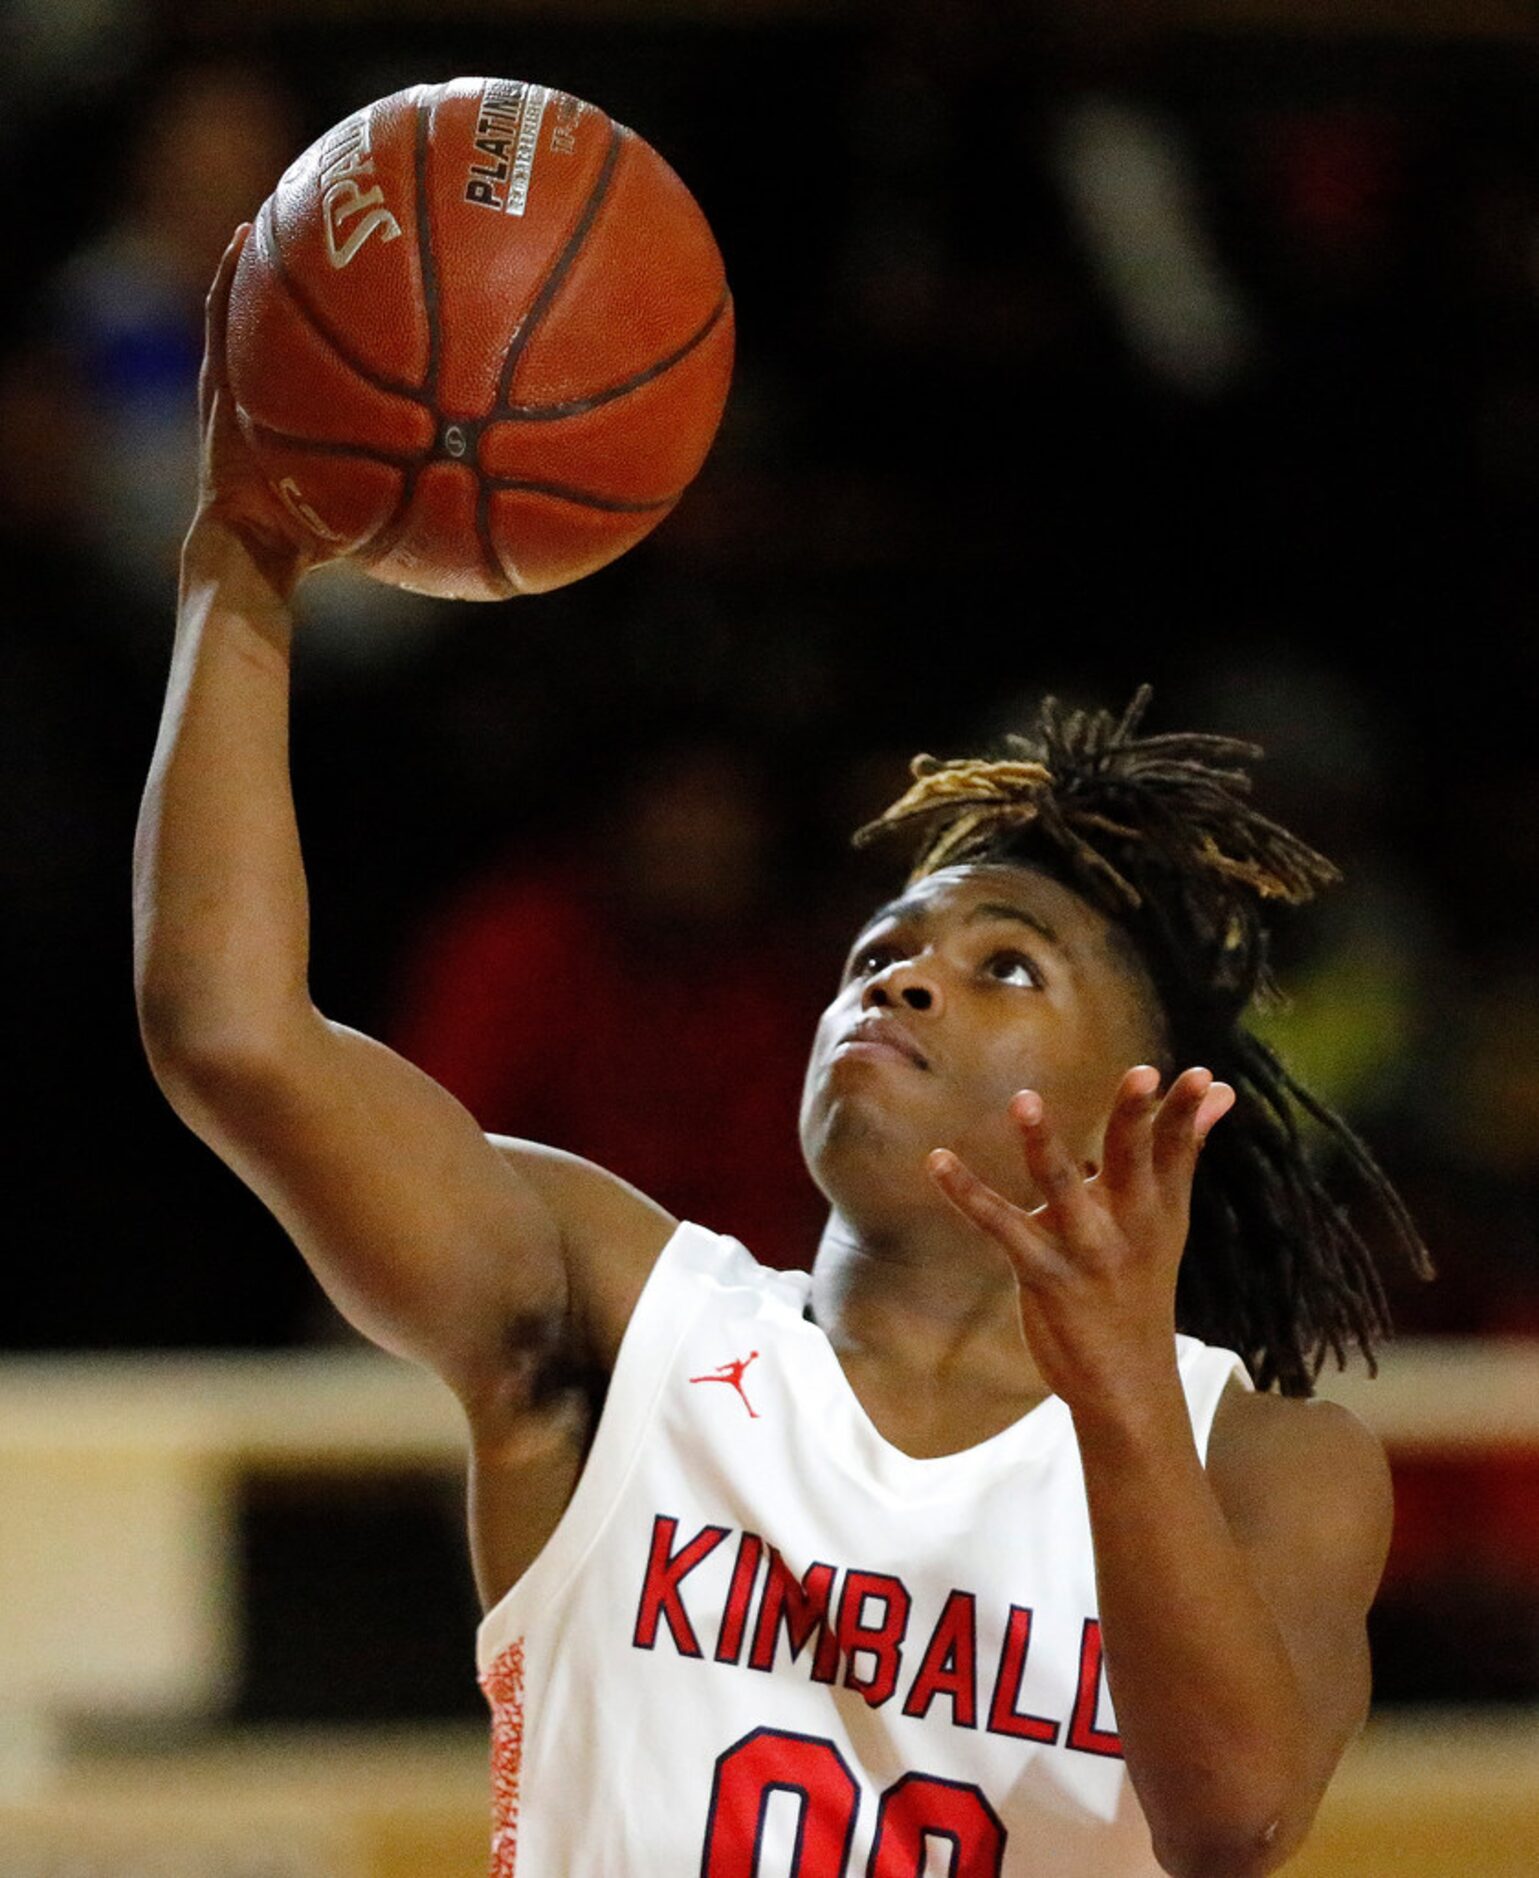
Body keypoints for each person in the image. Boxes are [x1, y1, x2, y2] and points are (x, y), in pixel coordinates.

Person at [136, 227, 1428, 1878]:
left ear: (1134, 1094)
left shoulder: (1267, 1460)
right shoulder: (622, 1314)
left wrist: (1109, 1384)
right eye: (880, 952)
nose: (899, 984)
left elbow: (1234, 1818)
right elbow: (231, 1035)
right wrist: (238, 556)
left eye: (1000, 962)